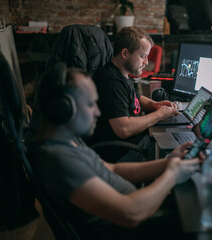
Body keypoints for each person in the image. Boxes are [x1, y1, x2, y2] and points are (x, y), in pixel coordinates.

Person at [28, 64, 201, 239]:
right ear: (64, 109)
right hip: (132, 227)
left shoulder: (68, 141)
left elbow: (113, 169)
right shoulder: (60, 160)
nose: (97, 112)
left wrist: (168, 163)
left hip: (138, 211)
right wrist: (172, 174)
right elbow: (131, 213)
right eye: (90, 104)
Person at [88, 26, 179, 162]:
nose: (146, 62)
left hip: (134, 142)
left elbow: (134, 98)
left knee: (171, 140)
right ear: (125, 54)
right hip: (120, 153)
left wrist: (154, 105)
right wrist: (159, 114)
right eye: (142, 56)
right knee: (172, 150)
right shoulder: (112, 81)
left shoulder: (122, 73)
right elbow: (123, 129)